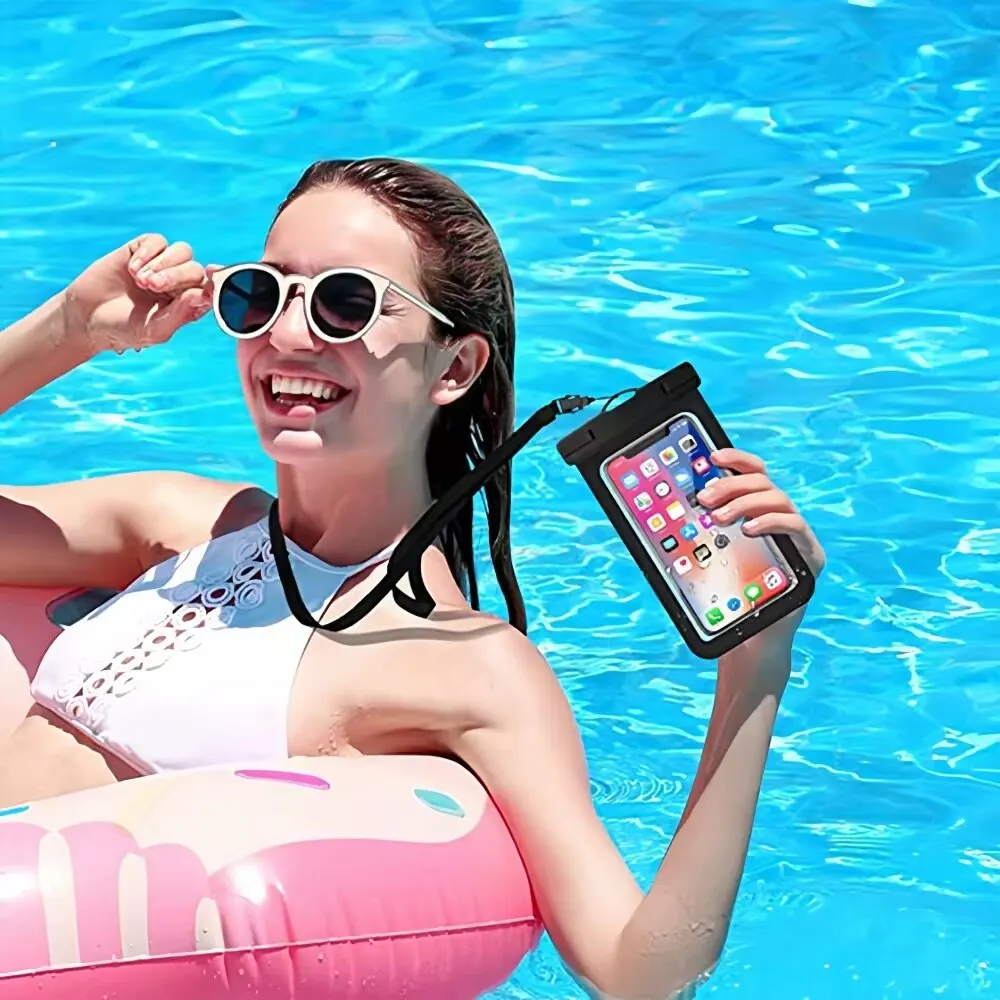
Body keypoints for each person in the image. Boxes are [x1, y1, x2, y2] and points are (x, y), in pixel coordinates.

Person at [0, 157, 825, 998]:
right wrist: (70, 329)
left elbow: (636, 971)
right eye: (260, 294)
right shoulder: (183, 520)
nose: (289, 335)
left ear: (454, 368)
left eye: (345, 302)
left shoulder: (464, 667)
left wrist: (754, 671)